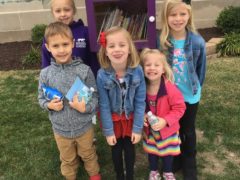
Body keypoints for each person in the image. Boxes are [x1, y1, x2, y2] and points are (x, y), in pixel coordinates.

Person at [38, 22, 101, 180]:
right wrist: (49, 105)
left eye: (65, 44)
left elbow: (95, 96)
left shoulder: (84, 70)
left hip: (84, 127)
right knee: (67, 159)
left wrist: (85, 107)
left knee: (88, 154)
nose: (61, 50)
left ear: (72, 43)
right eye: (56, 45)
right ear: (48, 47)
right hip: (60, 130)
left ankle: (94, 175)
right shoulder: (45, 74)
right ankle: (69, 176)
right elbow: (41, 98)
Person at [157, 0, 206, 179]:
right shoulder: (162, 41)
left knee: (188, 130)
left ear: (189, 15)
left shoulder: (197, 41)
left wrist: (195, 89)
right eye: (173, 15)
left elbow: (201, 70)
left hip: (190, 96)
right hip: (170, 98)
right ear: (166, 17)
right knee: (173, 129)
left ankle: (189, 162)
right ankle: (175, 158)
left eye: (182, 14)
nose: (178, 19)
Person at [96, 26, 146, 180]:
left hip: (131, 118)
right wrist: (108, 131)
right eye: (111, 46)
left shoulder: (137, 71)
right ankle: (119, 175)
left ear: (130, 49)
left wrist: (137, 129)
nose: (117, 50)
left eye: (122, 45)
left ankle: (129, 175)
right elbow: (103, 105)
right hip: (114, 120)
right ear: (105, 50)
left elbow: (140, 101)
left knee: (130, 149)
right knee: (116, 150)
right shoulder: (102, 75)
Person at [140, 48, 186, 180]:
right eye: (148, 65)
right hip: (150, 130)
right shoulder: (141, 87)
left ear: (163, 69)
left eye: (156, 65)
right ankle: (153, 171)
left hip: (167, 130)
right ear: (143, 68)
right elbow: (138, 105)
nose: (152, 68)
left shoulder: (170, 88)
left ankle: (167, 172)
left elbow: (179, 107)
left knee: (167, 153)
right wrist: (142, 116)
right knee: (152, 151)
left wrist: (165, 120)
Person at [41, 0, 100, 76]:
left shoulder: (85, 32)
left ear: (74, 10)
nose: (63, 14)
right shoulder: (50, 35)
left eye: (67, 10)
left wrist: (95, 78)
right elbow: (46, 64)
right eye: (58, 11)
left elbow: (93, 61)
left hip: (84, 80)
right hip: (60, 81)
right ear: (53, 13)